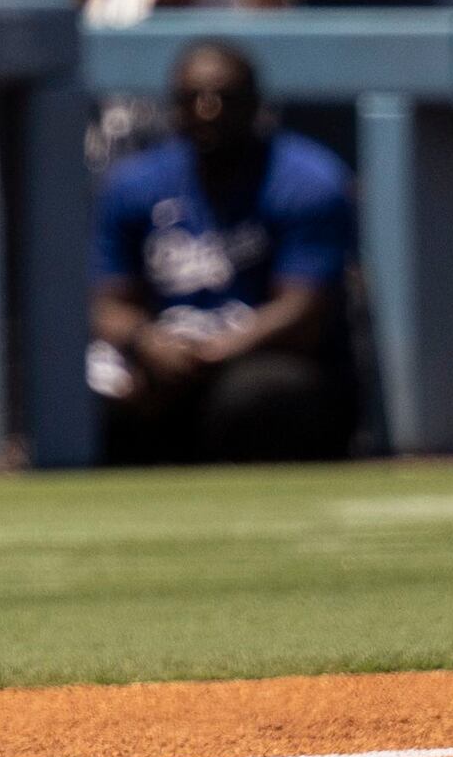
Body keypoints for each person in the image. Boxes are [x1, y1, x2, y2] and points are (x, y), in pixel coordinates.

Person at [94, 40, 361, 465]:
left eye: (224, 97)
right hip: (162, 354)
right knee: (92, 394)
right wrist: (146, 341)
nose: (207, 109)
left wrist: (217, 352)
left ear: (256, 104)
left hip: (265, 357)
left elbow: (305, 310)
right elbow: (106, 301)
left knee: (256, 398)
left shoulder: (307, 179)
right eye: (192, 98)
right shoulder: (134, 184)